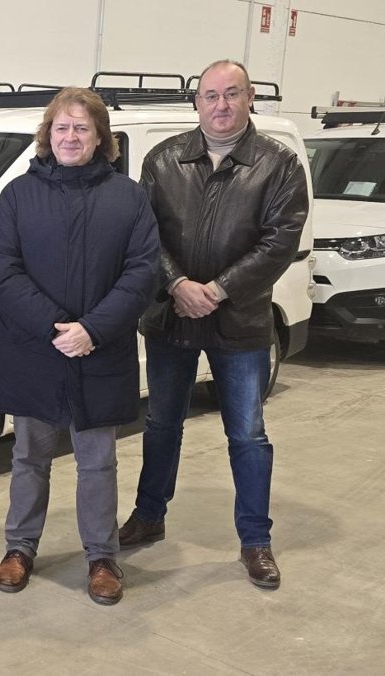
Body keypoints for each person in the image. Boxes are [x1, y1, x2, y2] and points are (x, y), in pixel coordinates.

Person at [119, 60, 308, 590]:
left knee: (247, 433)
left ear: (250, 98)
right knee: (161, 423)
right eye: (210, 95)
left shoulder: (279, 165)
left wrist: (218, 290)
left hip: (240, 320)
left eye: (231, 94)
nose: (220, 105)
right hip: (171, 314)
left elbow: (280, 241)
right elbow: (144, 234)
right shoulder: (163, 159)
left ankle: (255, 540)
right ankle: (149, 515)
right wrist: (177, 283)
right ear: (196, 102)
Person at [0, 87, 159, 605]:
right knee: (28, 457)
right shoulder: (18, 195)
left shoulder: (129, 198)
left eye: (82, 127)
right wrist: (55, 327)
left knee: (98, 461)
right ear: (48, 134)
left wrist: (93, 330)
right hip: (35, 351)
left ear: (101, 136)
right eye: (62, 127)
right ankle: (19, 548)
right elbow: (0, 268)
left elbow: (142, 272)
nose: (71, 136)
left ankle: (102, 557)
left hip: (99, 352)